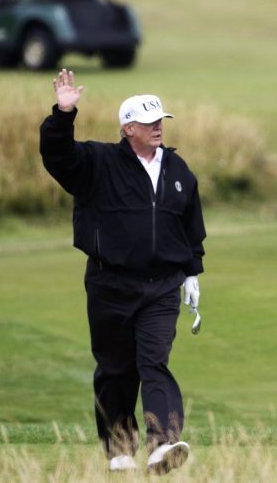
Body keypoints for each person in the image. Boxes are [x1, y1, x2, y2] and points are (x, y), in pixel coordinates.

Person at [40, 69, 206, 474]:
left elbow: (190, 225)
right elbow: (57, 156)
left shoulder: (177, 170)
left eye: (160, 122)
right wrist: (64, 113)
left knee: (154, 362)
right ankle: (119, 448)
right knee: (116, 368)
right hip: (109, 283)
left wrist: (192, 273)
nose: (157, 129)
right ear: (127, 128)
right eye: (148, 123)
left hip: (161, 286)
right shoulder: (97, 163)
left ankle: (163, 445)